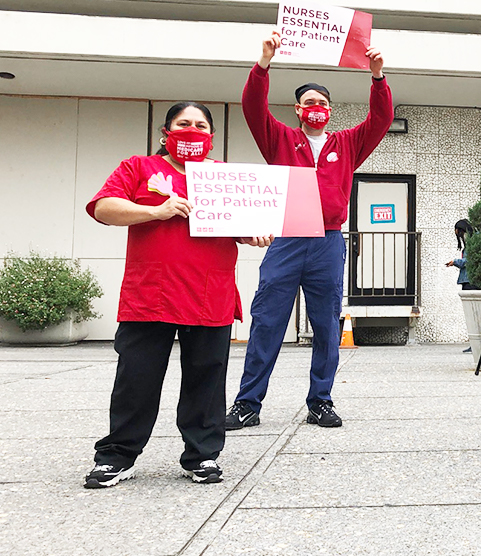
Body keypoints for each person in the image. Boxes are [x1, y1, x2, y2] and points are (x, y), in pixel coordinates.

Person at [84, 102, 272, 488]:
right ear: (165, 132)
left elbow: (241, 225)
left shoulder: (224, 177)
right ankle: (117, 456)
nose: (192, 130)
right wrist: (156, 211)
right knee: (136, 379)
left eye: (201, 125)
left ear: (212, 136)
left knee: (206, 379)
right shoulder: (138, 167)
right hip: (150, 294)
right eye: (183, 123)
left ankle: (201, 456)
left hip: (209, 293)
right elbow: (104, 207)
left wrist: (255, 233)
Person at [225, 32, 393, 431]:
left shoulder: (348, 143)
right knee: (267, 321)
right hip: (287, 239)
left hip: (328, 242)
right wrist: (263, 64)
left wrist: (377, 77)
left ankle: (321, 401)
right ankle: (247, 403)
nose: (317, 109)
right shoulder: (280, 139)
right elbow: (252, 109)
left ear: (331, 111)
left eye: (323, 104)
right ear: (298, 110)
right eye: (310, 103)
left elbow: (381, 120)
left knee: (325, 324)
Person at [446, 219, 478, 290]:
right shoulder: (475, 239)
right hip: (470, 279)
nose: (461, 237)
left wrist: (455, 262)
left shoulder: (473, 241)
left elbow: (469, 260)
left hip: (470, 280)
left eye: (460, 234)